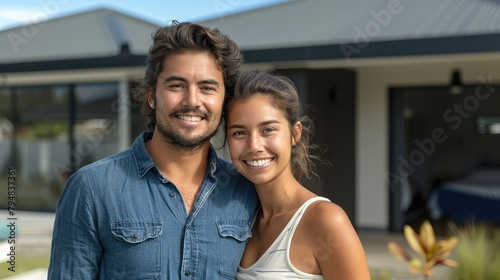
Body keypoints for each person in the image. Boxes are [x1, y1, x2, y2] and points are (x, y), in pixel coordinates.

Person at [48, 21, 259, 279]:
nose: (192, 101)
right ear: (151, 95)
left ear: (224, 100)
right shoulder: (91, 189)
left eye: (207, 88)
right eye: (176, 85)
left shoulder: (247, 190)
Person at [225, 71, 371, 280]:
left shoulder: (327, 220)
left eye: (268, 130)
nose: (254, 146)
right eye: (239, 132)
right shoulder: (239, 217)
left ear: (295, 133)